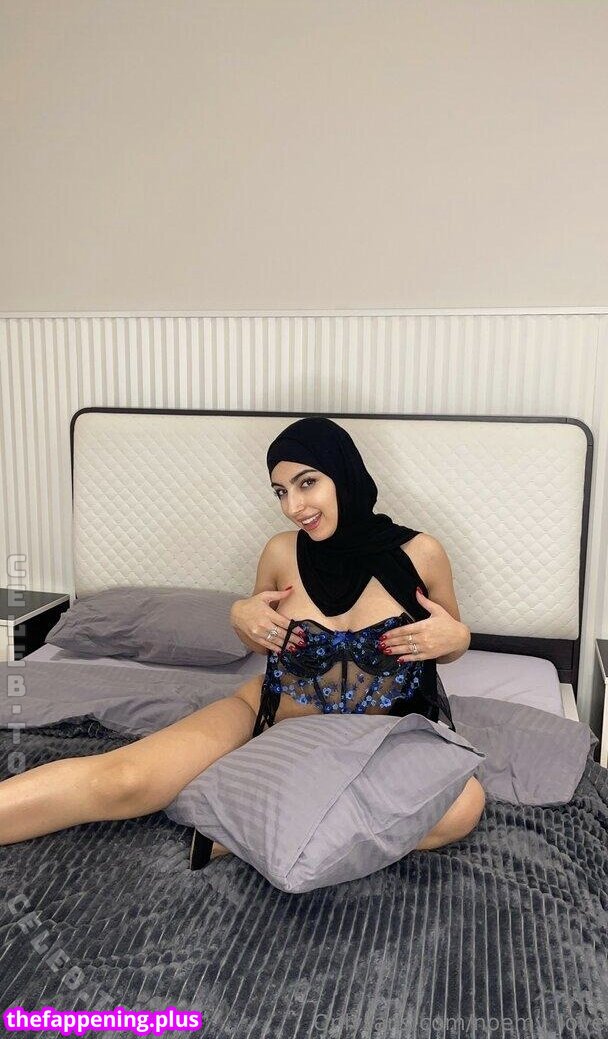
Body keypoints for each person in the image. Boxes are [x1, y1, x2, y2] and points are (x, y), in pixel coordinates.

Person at [0, 417, 484, 863]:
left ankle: (237, 826)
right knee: (124, 780)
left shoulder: (421, 553)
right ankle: (253, 815)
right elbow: (260, 636)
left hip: (384, 735)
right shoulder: (280, 552)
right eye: (280, 492)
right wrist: (240, 617)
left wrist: (459, 636)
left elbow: (448, 645)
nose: (294, 507)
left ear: (344, 473)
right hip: (268, 716)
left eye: (307, 483)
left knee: (462, 807)